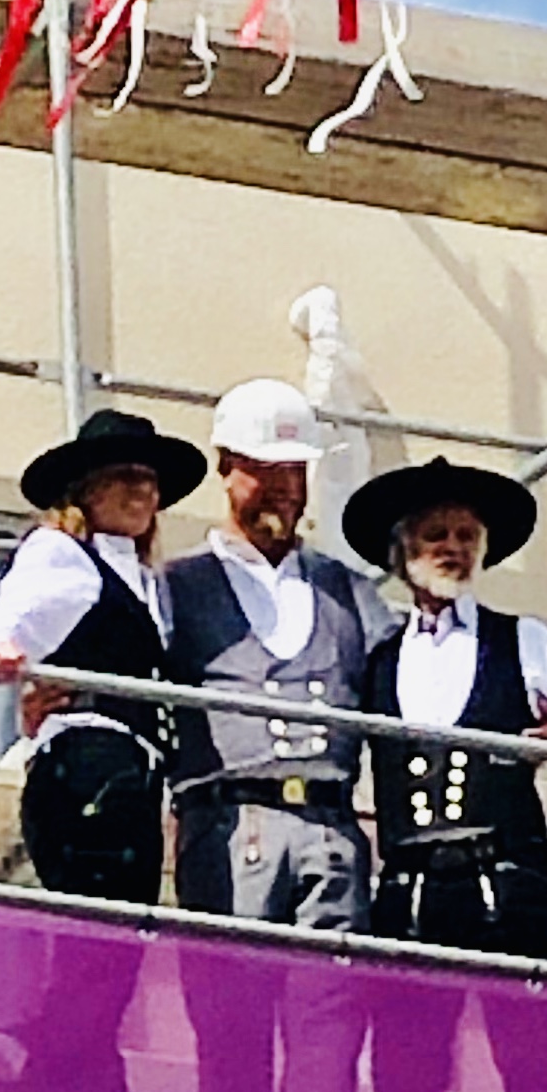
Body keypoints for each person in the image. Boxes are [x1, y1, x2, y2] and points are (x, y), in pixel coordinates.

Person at [341, 453, 547, 962]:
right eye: (436, 535)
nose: (453, 547)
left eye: (466, 536)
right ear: (404, 549)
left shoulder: (521, 639)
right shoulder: (379, 658)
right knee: (407, 1015)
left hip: (508, 886)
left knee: (526, 1013)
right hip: (410, 892)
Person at [0, 404, 207, 906]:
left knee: (123, 925)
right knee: (98, 919)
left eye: (150, 480)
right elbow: (14, 616)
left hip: (135, 776)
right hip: (89, 763)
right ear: (87, 488)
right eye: (125, 476)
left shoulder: (148, 583)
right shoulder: (63, 554)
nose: (142, 491)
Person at [163, 379, 376, 933]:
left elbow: (409, 680)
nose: (285, 488)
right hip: (228, 825)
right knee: (233, 984)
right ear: (226, 467)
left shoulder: (346, 588)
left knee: (334, 985)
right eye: (266, 471)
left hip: (331, 826)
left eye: (294, 471)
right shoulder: (177, 584)